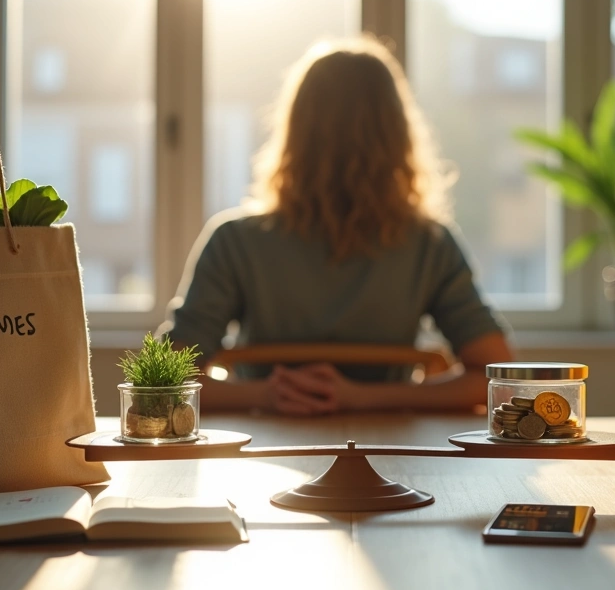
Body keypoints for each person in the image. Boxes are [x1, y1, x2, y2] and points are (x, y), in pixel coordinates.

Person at [163, 37, 513, 415]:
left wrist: (267, 395)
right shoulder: (430, 244)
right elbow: (497, 377)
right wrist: (367, 399)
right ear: (397, 133)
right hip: (391, 454)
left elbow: (165, 381)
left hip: (265, 450)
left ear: (294, 131)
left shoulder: (233, 241)